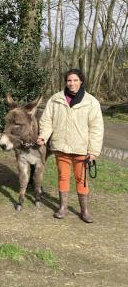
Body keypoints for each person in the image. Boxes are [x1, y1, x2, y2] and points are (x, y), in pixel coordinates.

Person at [37, 69, 103, 223]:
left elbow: (96, 128)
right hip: (61, 147)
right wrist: (43, 136)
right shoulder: (55, 99)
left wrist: (93, 151)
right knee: (63, 177)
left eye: (75, 80)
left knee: (82, 179)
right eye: (69, 80)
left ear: (81, 81)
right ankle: (63, 208)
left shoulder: (91, 102)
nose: (71, 83)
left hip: (81, 149)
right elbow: (47, 121)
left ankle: (84, 211)